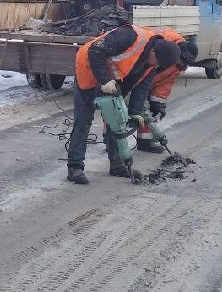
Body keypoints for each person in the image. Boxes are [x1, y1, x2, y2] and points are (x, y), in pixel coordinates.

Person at [66, 24, 180, 185]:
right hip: (89, 69)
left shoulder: (152, 63)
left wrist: (133, 112)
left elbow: (141, 89)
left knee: (117, 119)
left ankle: (118, 165)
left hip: (113, 79)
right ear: (154, 51)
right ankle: (75, 168)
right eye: (157, 62)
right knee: (83, 121)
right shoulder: (129, 36)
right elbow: (96, 50)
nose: (156, 66)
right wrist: (105, 81)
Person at [136, 29, 199, 153]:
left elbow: (166, 82)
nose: (180, 64)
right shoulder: (162, 41)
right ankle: (113, 142)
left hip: (147, 81)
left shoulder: (179, 65)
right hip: (134, 73)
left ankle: (145, 141)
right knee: (117, 108)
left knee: (147, 111)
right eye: (180, 61)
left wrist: (158, 103)